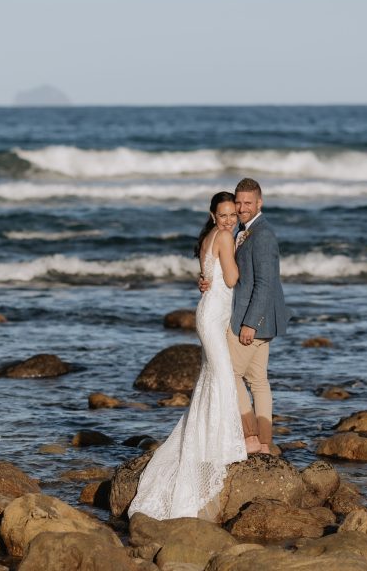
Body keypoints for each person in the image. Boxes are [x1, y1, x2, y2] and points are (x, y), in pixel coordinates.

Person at [128, 192, 247, 521]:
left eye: (232, 214)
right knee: (221, 376)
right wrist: (239, 248)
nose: (228, 220)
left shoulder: (210, 237)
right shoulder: (224, 236)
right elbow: (233, 278)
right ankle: (221, 445)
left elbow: (212, 278)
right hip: (211, 316)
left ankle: (212, 439)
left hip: (210, 313)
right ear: (213, 215)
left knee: (213, 378)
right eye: (222, 215)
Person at [202, 178, 290, 455]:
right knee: (259, 380)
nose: (241, 208)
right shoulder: (244, 231)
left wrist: (249, 323)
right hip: (258, 318)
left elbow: (264, 283)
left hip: (251, 320)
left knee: (231, 375)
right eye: (238, 202)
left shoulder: (261, 235)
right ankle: (264, 442)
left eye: (247, 203)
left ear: (259, 203)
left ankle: (251, 436)